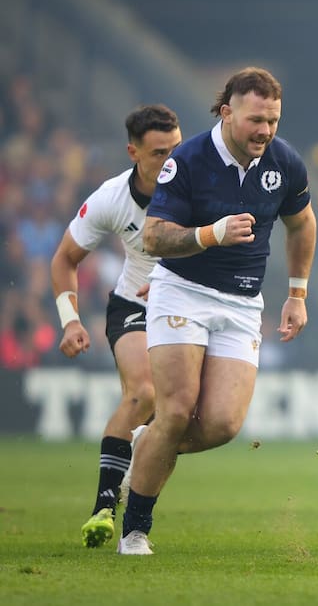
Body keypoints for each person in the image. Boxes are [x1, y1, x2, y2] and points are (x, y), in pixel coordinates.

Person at [118, 68, 316, 555]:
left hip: (243, 302)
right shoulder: (186, 160)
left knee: (224, 425)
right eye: (256, 120)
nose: (265, 131)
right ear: (226, 113)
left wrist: (297, 294)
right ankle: (135, 530)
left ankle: (145, 446)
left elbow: (303, 223)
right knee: (178, 409)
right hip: (182, 291)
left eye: (273, 120)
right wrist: (211, 232)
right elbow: (154, 236)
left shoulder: (284, 162)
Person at [50, 105, 182, 548]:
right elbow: (65, 259)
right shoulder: (111, 198)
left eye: (176, 149)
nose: (171, 161)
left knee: (179, 415)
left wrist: (172, 281)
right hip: (134, 304)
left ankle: (135, 466)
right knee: (143, 393)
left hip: (191, 306)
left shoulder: (200, 183)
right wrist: (70, 322)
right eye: (159, 152)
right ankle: (105, 505)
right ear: (133, 152)